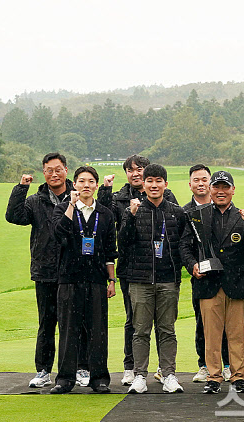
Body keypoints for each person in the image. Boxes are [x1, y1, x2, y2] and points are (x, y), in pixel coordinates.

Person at [5, 152, 90, 388]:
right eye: (49, 170)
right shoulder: (36, 200)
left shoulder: (79, 196)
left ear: (66, 170)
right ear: (44, 172)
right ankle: (43, 370)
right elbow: (14, 216)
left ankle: (82, 368)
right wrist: (21, 188)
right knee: (47, 322)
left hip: (74, 269)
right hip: (46, 269)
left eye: (58, 169)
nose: (54, 174)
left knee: (77, 321)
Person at [180, 171, 244, 394]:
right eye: (216, 187)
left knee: (236, 334)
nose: (221, 191)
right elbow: (184, 247)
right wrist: (192, 266)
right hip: (208, 283)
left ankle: (238, 377)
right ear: (210, 189)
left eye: (225, 187)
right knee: (212, 335)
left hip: (236, 284)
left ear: (233, 190)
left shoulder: (242, 216)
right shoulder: (198, 215)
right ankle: (214, 377)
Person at [97, 154, 176, 386]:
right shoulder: (120, 198)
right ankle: (130, 366)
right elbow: (104, 213)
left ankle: (164, 368)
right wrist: (105, 189)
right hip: (131, 268)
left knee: (163, 323)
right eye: (130, 170)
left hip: (161, 269)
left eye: (140, 169)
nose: (135, 173)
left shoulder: (166, 195)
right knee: (134, 321)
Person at [119, 164, 187, 394]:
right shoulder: (133, 211)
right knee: (140, 330)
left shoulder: (177, 213)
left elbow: (183, 246)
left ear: (165, 184)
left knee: (167, 329)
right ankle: (139, 375)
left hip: (168, 279)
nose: (154, 185)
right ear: (143, 185)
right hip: (139, 280)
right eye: (150, 181)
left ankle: (168, 374)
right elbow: (124, 243)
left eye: (159, 181)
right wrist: (131, 216)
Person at [50, 166, 117, 394]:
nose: (86, 185)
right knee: (69, 330)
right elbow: (60, 233)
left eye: (90, 181)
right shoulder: (63, 209)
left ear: (96, 185)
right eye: (81, 181)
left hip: (97, 280)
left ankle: (99, 378)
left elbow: (110, 251)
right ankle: (65, 379)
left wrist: (111, 281)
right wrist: (71, 204)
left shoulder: (105, 214)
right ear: (74, 184)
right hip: (69, 278)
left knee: (98, 330)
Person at [183, 164, 230, 383]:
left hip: (227, 278)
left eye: (205, 180)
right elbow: (183, 246)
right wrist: (191, 265)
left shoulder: (225, 209)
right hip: (201, 277)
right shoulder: (185, 212)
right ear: (190, 184)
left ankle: (228, 365)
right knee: (202, 322)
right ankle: (204, 365)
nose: (200, 184)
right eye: (196, 180)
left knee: (228, 325)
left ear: (211, 184)